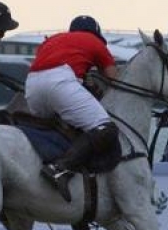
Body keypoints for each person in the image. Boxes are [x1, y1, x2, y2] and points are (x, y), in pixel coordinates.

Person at [25, 15, 119, 203]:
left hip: (32, 87)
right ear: (96, 33)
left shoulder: (53, 40)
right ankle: (59, 169)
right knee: (105, 129)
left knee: (67, 129)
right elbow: (114, 80)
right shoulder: (95, 43)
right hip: (60, 84)